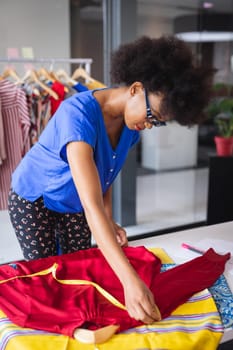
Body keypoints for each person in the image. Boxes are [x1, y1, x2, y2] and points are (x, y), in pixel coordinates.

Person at [8, 35, 215, 326]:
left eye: (157, 122)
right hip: (34, 198)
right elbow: (90, 206)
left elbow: (105, 174)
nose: (149, 126)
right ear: (135, 89)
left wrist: (110, 219)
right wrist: (130, 282)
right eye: (151, 116)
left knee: (79, 268)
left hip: (74, 200)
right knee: (45, 276)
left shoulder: (131, 125)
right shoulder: (77, 115)